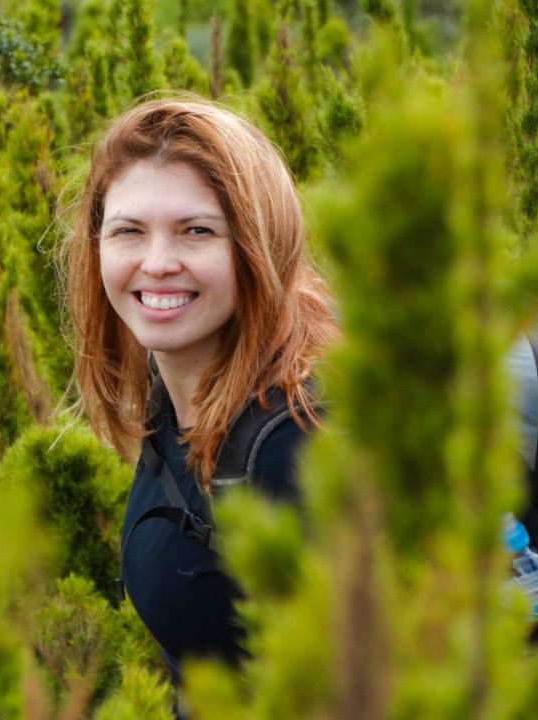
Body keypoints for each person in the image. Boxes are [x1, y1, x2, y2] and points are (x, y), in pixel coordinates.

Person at [61, 97, 338, 711]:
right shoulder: (173, 400)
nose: (158, 263)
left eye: (197, 231)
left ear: (259, 245)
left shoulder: (299, 443)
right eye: (129, 231)